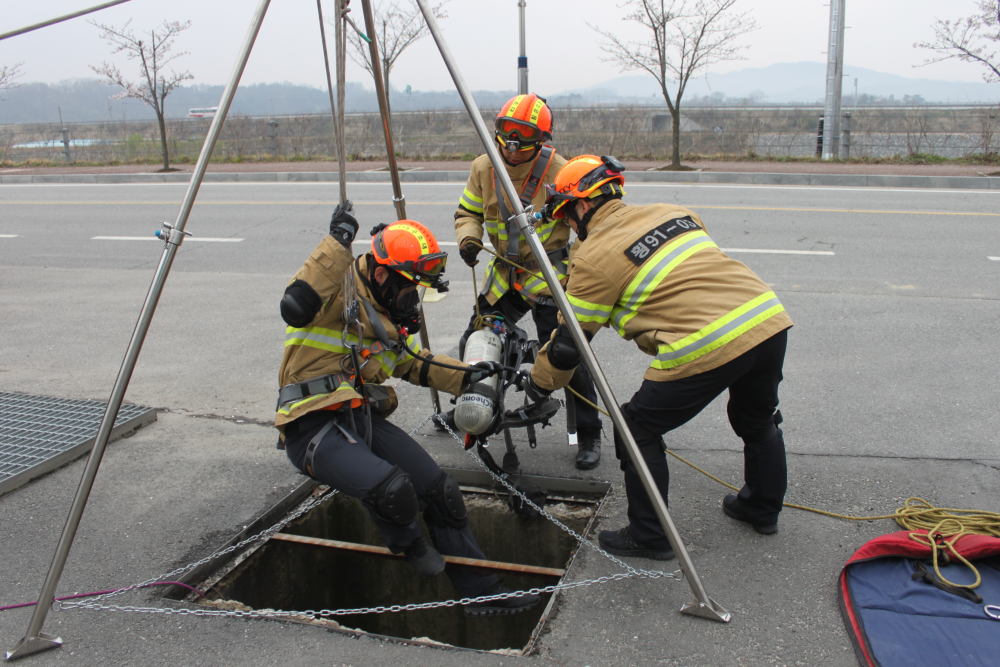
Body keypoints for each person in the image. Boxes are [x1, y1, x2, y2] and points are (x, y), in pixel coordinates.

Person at [522, 155, 794, 560]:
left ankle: (649, 535)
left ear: (582, 205)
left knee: (636, 426)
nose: (568, 227)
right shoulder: (676, 212)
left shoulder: (593, 257)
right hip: (766, 319)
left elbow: (568, 345)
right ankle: (762, 507)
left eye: (566, 214)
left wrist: (538, 384)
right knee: (756, 417)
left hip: (707, 341)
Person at [275, 205, 540, 616]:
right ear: (382, 275)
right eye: (411, 288)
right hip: (310, 427)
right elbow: (294, 304)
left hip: (357, 418)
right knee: (392, 490)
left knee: (440, 492)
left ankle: (483, 595)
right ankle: (411, 546)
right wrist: (335, 244)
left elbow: (417, 364)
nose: (414, 300)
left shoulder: (386, 317)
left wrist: (478, 375)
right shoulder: (336, 289)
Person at [454, 93, 603, 469]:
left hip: (545, 275)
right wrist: (468, 239)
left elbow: (586, 229)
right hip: (504, 274)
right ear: (498, 131)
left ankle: (588, 433)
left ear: (542, 141)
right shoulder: (482, 167)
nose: (515, 146)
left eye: (525, 138)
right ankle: (476, 409)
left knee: (567, 356)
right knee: (475, 340)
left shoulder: (561, 171)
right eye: (508, 134)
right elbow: (467, 211)